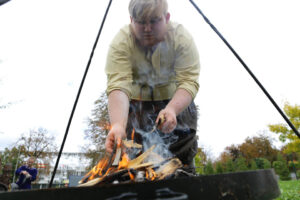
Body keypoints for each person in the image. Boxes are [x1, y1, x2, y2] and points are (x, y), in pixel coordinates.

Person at [105, 0, 200, 173]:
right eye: (141, 22)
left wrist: (171, 109)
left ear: (167, 17)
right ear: (131, 20)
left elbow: (189, 81)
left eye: (154, 21)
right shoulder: (121, 43)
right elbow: (118, 85)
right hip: (135, 106)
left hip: (176, 102)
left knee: (181, 162)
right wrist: (118, 124)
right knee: (133, 164)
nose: (147, 29)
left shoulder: (181, 38)